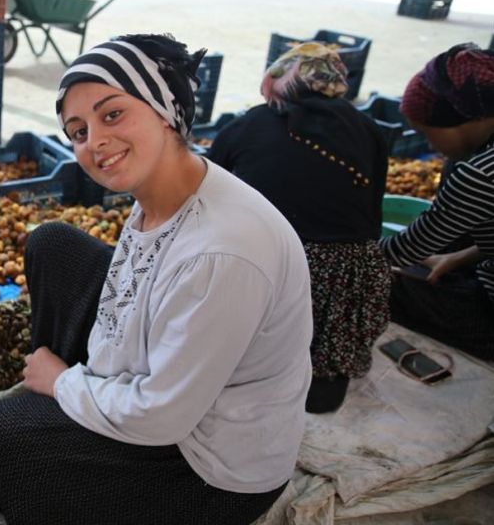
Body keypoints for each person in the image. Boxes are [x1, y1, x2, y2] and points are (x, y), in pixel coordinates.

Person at [0, 34, 313, 525]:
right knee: (52, 243)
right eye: (77, 131)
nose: (95, 141)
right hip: (169, 396)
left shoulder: (222, 253)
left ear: (165, 111)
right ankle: (65, 407)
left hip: (207, 468)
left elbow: (162, 416)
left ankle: (58, 411)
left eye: (113, 114)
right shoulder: (165, 194)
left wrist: (62, 383)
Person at [208, 42, 391, 413]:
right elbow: (371, 220)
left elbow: (208, 202)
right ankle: (320, 381)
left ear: (278, 79)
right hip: (345, 276)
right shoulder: (368, 130)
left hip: (264, 267)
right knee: (320, 399)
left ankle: (246, 370)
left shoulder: (246, 126)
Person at [380, 42, 494, 359]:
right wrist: (458, 258)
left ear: (470, 120)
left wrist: (334, 257)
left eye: (430, 134)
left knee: (379, 286)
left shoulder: (479, 175)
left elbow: (408, 248)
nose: (432, 146)